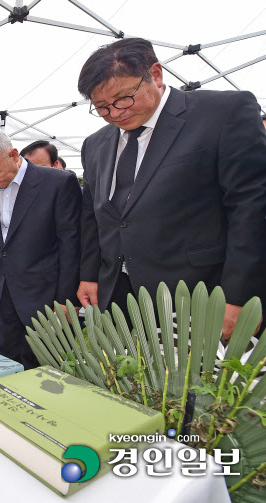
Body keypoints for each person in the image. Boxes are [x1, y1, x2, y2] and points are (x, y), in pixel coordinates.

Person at [77, 37, 266, 339]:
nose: (115, 113)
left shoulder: (223, 113)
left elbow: (251, 209)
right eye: (102, 107)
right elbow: (93, 216)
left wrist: (240, 295)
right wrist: (89, 275)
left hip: (199, 294)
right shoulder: (95, 144)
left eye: (124, 98)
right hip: (119, 298)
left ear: (156, 74)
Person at [0, 130, 81, 369]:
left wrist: (66, 297)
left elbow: (71, 244)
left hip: (46, 292)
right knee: (6, 358)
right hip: (4, 289)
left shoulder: (57, 182)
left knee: (45, 363)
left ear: (13, 155)